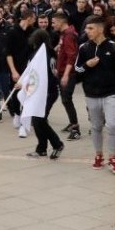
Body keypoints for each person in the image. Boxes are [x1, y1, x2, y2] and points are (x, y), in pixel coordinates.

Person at [73, 15, 115, 174]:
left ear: (100, 29)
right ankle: (98, 155)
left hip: (111, 93)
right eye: (86, 28)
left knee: (113, 125)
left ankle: (113, 157)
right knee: (96, 126)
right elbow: (77, 70)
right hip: (91, 93)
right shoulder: (84, 48)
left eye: (90, 28)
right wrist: (87, 64)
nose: (87, 31)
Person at [25, 29, 64, 159]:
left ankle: (56, 144)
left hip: (45, 92)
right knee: (38, 120)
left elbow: (35, 74)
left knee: (39, 120)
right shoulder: (50, 52)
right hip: (48, 91)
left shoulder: (39, 55)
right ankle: (41, 148)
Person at [51, 12, 81, 140]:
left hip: (68, 73)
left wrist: (66, 75)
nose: (52, 25)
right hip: (62, 71)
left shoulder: (68, 35)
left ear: (61, 22)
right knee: (65, 99)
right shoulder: (64, 34)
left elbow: (71, 56)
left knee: (66, 99)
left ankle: (76, 129)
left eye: (54, 22)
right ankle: (72, 122)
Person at [7, 10, 35, 138]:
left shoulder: (33, 32)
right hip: (16, 70)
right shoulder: (12, 32)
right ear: (28, 18)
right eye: (33, 18)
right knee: (15, 95)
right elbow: (8, 54)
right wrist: (13, 71)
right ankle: (17, 114)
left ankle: (24, 124)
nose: (34, 20)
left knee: (28, 95)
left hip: (30, 70)